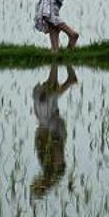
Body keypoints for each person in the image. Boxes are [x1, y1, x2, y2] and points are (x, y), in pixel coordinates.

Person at [31, 65, 78, 197]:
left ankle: (62, 75)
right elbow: (57, 147)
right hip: (53, 129)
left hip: (48, 127)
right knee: (46, 98)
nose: (37, 180)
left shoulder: (49, 170)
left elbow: (50, 146)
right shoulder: (55, 171)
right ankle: (60, 73)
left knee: (44, 98)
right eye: (38, 184)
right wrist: (50, 138)